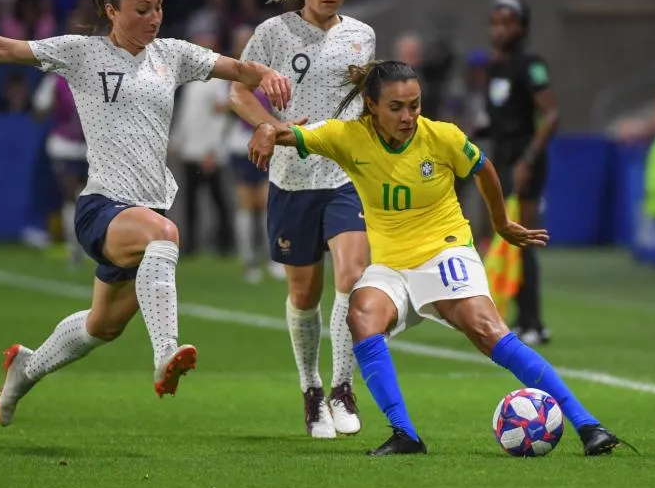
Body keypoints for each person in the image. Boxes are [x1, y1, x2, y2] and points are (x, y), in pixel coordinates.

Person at [0, 0, 291, 426]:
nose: (155, 18)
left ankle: (26, 367)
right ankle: (165, 354)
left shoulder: (173, 54)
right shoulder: (81, 53)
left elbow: (235, 68)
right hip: (103, 206)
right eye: (143, 9)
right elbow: (5, 48)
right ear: (111, 10)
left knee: (101, 327)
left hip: (145, 208)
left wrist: (264, 74)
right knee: (164, 235)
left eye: (160, 7)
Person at [248, 60, 627, 457]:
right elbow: (287, 132)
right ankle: (405, 435)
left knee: (486, 329)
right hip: (392, 266)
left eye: (415, 105)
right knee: (361, 314)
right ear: (371, 104)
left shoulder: (443, 137)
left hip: (444, 251)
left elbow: (484, 169)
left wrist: (500, 223)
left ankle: (587, 424)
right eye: (396, 107)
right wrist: (266, 130)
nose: (408, 116)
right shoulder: (347, 137)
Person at [229, 0, 376, 439]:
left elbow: (366, 103)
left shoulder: (362, 37)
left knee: (353, 275)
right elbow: (236, 90)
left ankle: (342, 388)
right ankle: (311, 390)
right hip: (292, 179)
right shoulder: (272, 34)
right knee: (303, 292)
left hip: (345, 175)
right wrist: (267, 124)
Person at [482, 0, 559, 346]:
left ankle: (534, 322)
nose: (500, 30)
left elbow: (552, 115)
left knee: (523, 238)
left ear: (522, 27)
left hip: (524, 159)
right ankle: (517, 316)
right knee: (507, 239)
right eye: (496, 22)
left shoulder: (530, 65)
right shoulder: (495, 67)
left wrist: (528, 158)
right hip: (501, 156)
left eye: (508, 22)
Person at [224, 24, 284, 283]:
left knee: (267, 201)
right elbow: (226, 104)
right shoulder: (230, 71)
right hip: (241, 144)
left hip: (270, 142)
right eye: (242, 40)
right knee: (247, 202)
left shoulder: (270, 73)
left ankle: (273, 258)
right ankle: (249, 260)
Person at [170, 28, 233, 257]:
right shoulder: (191, 79)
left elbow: (221, 118)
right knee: (190, 201)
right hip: (190, 151)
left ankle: (226, 243)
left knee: (218, 198)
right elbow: (184, 115)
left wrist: (212, 150)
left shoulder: (218, 82)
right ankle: (190, 245)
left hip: (208, 151)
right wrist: (177, 141)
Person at [32, 68, 88, 265]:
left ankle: (85, 243)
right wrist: (52, 105)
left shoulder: (98, 73)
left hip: (91, 147)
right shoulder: (56, 79)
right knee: (70, 196)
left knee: (86, 197)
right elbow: (38, 110)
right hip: (64, 146)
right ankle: (74, 246)